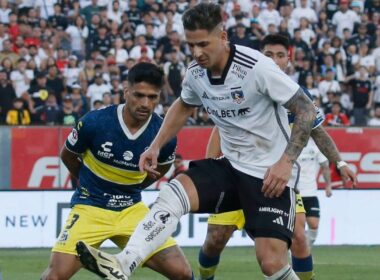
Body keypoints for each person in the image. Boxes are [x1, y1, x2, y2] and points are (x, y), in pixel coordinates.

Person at [76, 4, 355, 280]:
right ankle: (123, 265)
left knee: (271, 264)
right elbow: (183, 105)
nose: (197, 53)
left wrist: (287, 163)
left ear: (222, 37)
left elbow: (307, 110)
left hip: (269, 175)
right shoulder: (196, 73)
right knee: (174, 194)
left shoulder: (257, 68)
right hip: (231, 166)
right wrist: (155, 145)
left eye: (203, 44)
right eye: (191, 45)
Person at [198, 34, 357, 280]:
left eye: (280, 55)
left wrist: (341, 162)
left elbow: (317, 130)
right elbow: (219, 127)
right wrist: (211, 166)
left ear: (288, 60)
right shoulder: (242, 83)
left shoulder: (296, 94)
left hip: (276, 181)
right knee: (215, 238)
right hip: (236, 175)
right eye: (269, 54)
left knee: (300, 237)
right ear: (259, 56)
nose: (274, 59)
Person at [41, 62, 194, 280]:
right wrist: (88, 185)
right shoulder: (95, 122)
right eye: (139, 95)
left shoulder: (164, 132)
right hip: (90, 208)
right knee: (55, 276)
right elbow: (68, 155)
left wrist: (132, 187)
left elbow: (164, 166)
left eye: (152, 97)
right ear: (126, 92)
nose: (145, 103)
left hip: (132, 209)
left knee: (182, 273)